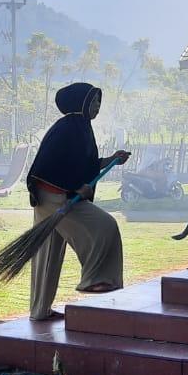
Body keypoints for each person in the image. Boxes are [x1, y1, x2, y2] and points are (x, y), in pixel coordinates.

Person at [26, 83, 130, 321]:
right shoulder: (69, 128)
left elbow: (83, 165)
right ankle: (97, 279)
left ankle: (40, 311)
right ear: (79, 103)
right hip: (54, 197)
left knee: (48, 254)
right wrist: (75, 188)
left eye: (99, 103)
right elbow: (50, 166)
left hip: (52, 197)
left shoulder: (79, 127)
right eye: (93, 102)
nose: (97, 107)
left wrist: (111, 160)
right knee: (105, 226)